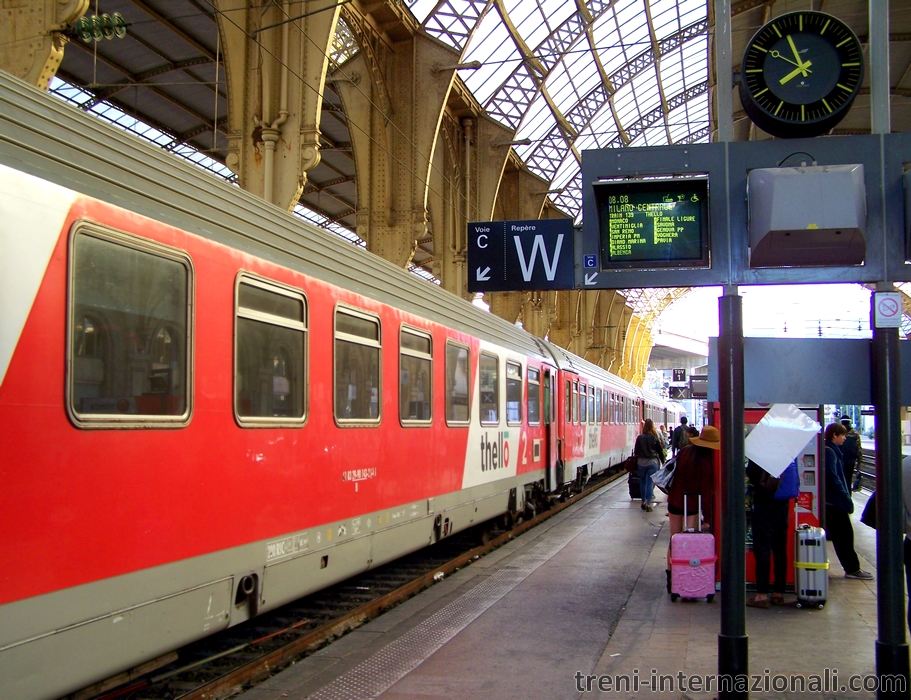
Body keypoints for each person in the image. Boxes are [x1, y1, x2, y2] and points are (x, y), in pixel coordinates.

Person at [666, 425, 719, 586]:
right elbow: (706, 493)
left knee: (674, 540)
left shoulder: (686, 452)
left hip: (675, 500)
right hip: (692, 505)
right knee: (691, 539)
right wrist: (707, 517)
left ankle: (670, 575)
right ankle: (687, 575)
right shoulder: (706, 463)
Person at [824, 422, 873, 580]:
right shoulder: (830, 452)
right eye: (843, 435)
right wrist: (846, 496)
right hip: (835, 502)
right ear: (834, 435)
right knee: (844, 535)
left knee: (842, 535)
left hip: (833, 501)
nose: (845, 438)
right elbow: (834, 478)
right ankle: (852, 569)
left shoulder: (832, 450)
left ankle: (852, 568)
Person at [745, 459, 797, 608]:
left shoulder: (763, 453)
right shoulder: (787, 455)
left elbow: (752, 473)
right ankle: (778, 593)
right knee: (780, 549)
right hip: (783, 505)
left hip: (765, 504)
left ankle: (761, 594)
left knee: (763, 549)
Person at [634, 418, 666, 512]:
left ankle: (643, 502)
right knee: (650, 483)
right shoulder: (654, 437)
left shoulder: (640, 438)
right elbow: (660, 451)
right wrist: (663, 461)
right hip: (652, 463)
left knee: (642, 482)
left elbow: (636, 451)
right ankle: (648, 504)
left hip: (641, 463)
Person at [840, 415, 863, 491]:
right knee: (848, 479)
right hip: (851, 461)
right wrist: (859, 462)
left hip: (840, 460)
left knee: (840, 479)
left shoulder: (839, 433)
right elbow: (858, 449)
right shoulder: (855, 433)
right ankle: (848, 494)